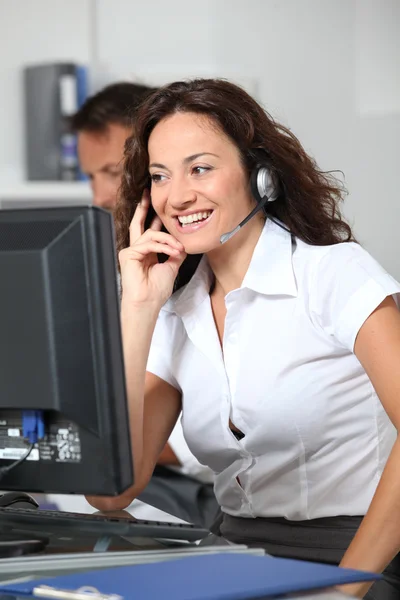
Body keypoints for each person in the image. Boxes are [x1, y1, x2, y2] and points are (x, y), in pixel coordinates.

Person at [87, 78, 400, 599]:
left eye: (200, 168)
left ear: (262, 176)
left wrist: (346, 590)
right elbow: (110, 492)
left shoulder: (333, 275)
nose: (178, 195)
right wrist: (138, 308)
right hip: (234, 551)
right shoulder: (174, 308)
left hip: (359, 551)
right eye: (160, 176)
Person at [72, 82, 218, 527]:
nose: (98, 195)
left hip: (198, 486)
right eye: (90, 177)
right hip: (148, 477)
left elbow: (214, 441)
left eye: (112, 173)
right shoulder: (147, 280)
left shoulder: (316, 277)